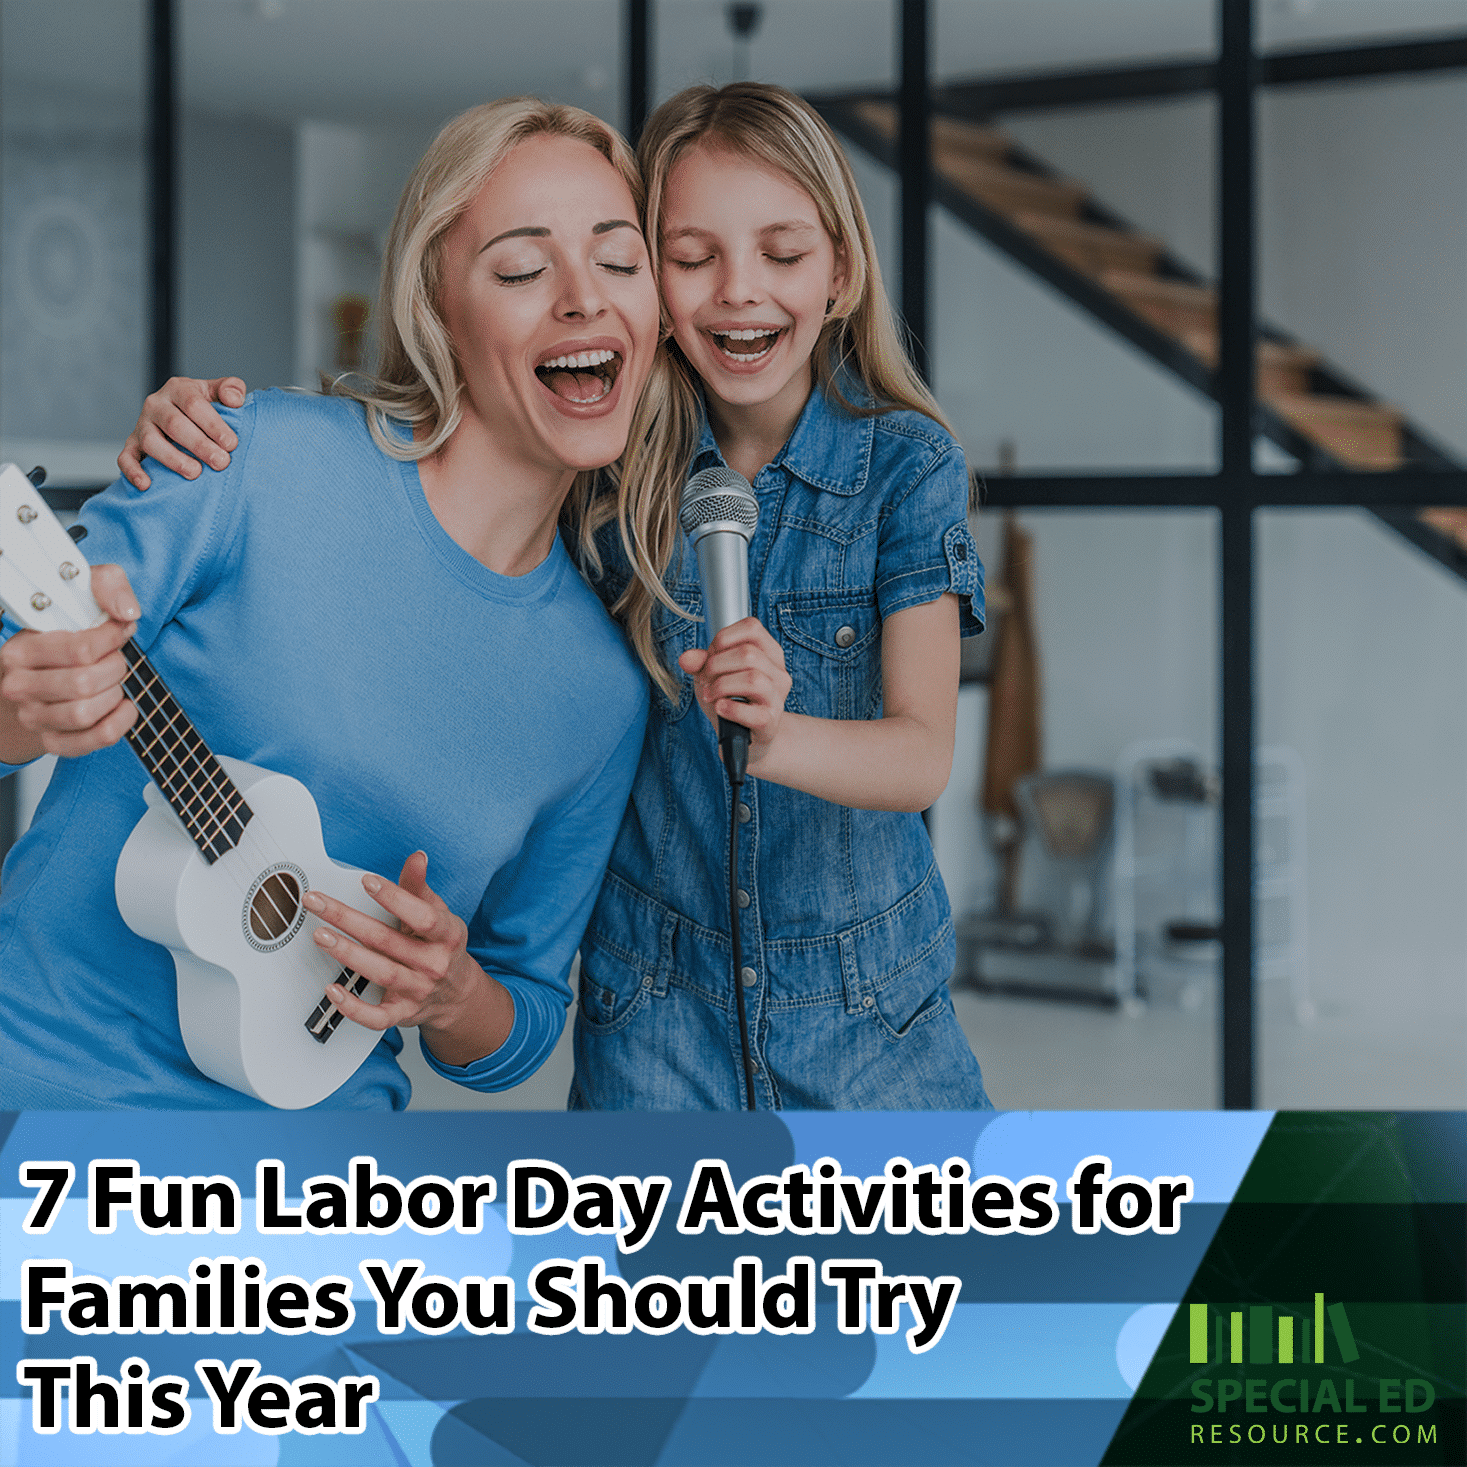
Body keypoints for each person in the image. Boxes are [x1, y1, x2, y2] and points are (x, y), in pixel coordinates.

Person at [118, 82, 992, 1112]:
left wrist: (775, 734)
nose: (739, 290)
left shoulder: (904, 463)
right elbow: (447, 480)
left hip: (870, 1008)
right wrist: (212, 431)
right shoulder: (607, 477)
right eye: (690, 256)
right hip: (657, 1011)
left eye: (784, 255)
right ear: (660, 293)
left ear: (843, 273)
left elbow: (923, 752)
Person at [0, 98, 657, 1109]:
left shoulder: (600, 695)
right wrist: (23, 709)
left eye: (620, 262)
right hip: (48, 1096)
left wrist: (452, 990)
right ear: (438, 302)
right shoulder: (246, 455)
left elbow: (520, 1019)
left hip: (318, 1176)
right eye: (525, 269)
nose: (584, 300)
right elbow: (20, 666)